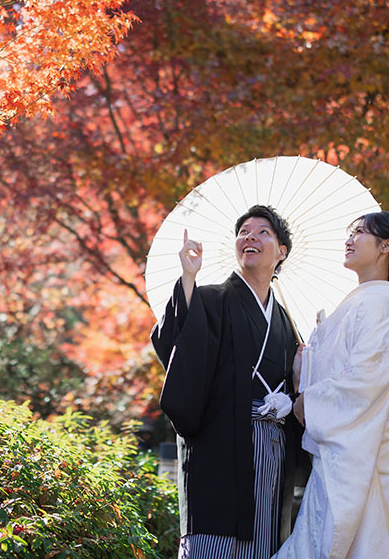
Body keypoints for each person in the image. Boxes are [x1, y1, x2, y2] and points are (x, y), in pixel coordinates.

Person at [275, 211, 389, 559]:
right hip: (356, 456)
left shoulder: (373, 305)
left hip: (359, 462)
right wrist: (307, 369)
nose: (349, 240)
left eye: (360, 232)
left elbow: (363, 384)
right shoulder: (368, 305)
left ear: (386, 246)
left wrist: (307, 401)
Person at [152, 205, 305, 558]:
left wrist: (299, 377)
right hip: (220, 446)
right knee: (214, 543)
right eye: (244, 232)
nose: (250, 237)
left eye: (263, 232)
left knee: (264, 541)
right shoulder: (209, 298)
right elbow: (177, 345)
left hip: (272, 451)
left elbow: (293, 390)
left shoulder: (286, 322)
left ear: (282, 252)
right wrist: (188, 279)